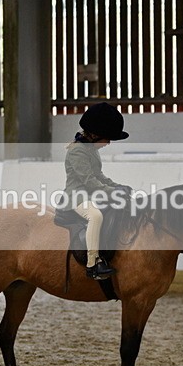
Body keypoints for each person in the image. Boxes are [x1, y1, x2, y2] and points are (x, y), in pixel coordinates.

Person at [62, 102, 131, 279]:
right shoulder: (77, 151)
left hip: (92, 194)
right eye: (107, 138)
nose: (108, 143)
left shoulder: (91, 149)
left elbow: (99, 176)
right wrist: (112, 192)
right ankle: (93, 264)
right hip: (77, 196)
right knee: (96, 216)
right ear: (94, 134)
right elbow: (89, 181)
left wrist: (116, 186)